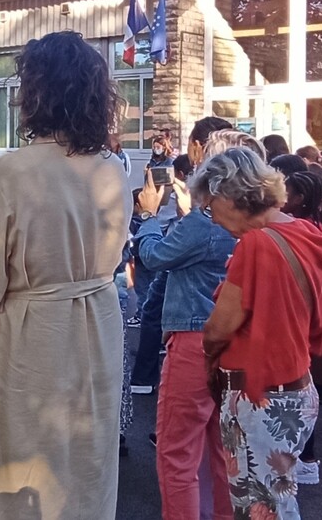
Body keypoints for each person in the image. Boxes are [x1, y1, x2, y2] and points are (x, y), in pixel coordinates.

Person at [0, 31, 130, 520]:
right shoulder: (113, 169)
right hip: (98, 321)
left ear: (36, 92)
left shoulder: (8, 175)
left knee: (21, 466)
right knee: (88, 461)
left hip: (34, 332)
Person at [201, 147, 322, 519]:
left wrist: (208, 350)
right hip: (295, 386)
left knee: (258, 507)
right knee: (278, 497)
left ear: (228, 196)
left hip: (258, 393)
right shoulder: (306, 232)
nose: (212, 218)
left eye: (209, 206)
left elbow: (219, 327)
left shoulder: (256, 244)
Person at [134, 157, 238, 515]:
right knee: (224, 451)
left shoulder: (201, 225)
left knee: (177, 451)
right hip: (234, 340)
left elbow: (155, 256)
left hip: (193, 338)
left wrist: (148, 217)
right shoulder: (249, 225)